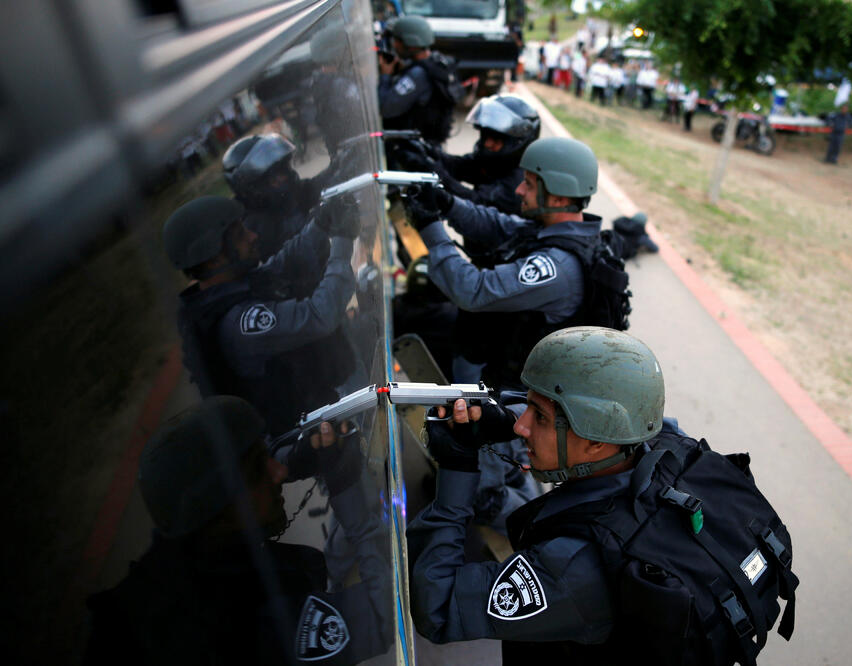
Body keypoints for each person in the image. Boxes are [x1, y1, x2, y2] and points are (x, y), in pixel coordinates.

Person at [407, 327, 678, 657]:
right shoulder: (656, 441)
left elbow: (437, 605)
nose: (521, 428)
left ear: (595, 441)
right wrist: (506, 417)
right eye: (528, 408)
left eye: (540, 418)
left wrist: (456, 469)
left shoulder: (574, 568)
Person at [85, 397, 391, 665]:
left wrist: (299, 457)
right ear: (215, 509)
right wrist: (348, 491)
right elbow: (384, 614)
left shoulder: (182, 549)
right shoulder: (249, 628)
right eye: (261, 470)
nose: (279, 472)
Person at [402, 137, 608, 389]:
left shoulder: (557, 267)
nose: (519, 190)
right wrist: (447, 203)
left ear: (558, 199)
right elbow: (497, 224)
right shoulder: (561, 230)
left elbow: (473, 290)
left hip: (502, 388)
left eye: (529, 185)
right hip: (491, 347)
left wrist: (428, 226)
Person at [163, 195, 358, 436]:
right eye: (239, 236)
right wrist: (343, 239)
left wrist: (321, 223)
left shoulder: (232, 285)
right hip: (329, 426)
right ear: (213, 259)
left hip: (331, 396)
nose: (252, 235)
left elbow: (283, 263)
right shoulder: (240, 323)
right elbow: (320, 314)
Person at [394, 94, 541, 216]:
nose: (487, 144)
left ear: (517, 142)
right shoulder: (493, 160)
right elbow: (460, 166)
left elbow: (475, 203)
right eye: (485, 136)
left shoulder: (519, 182)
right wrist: (426, 150)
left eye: (496, 139)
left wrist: (436, 174)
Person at [222, 133, 341, 260]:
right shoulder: (255, 226)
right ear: (254, 185)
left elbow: (309, 189)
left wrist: (338, 167)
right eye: (277, 173)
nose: (287, 175)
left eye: (285, 167)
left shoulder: (278, 199)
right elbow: (296, 235)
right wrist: (323, 215)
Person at [378, 16, 457, 147]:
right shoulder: (436, 61)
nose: (394, 44)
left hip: (411, 149)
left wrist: (385, 76)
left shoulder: (418, 74)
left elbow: (386, 108)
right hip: (428, 144)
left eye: (397, 40)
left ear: (410, 43)